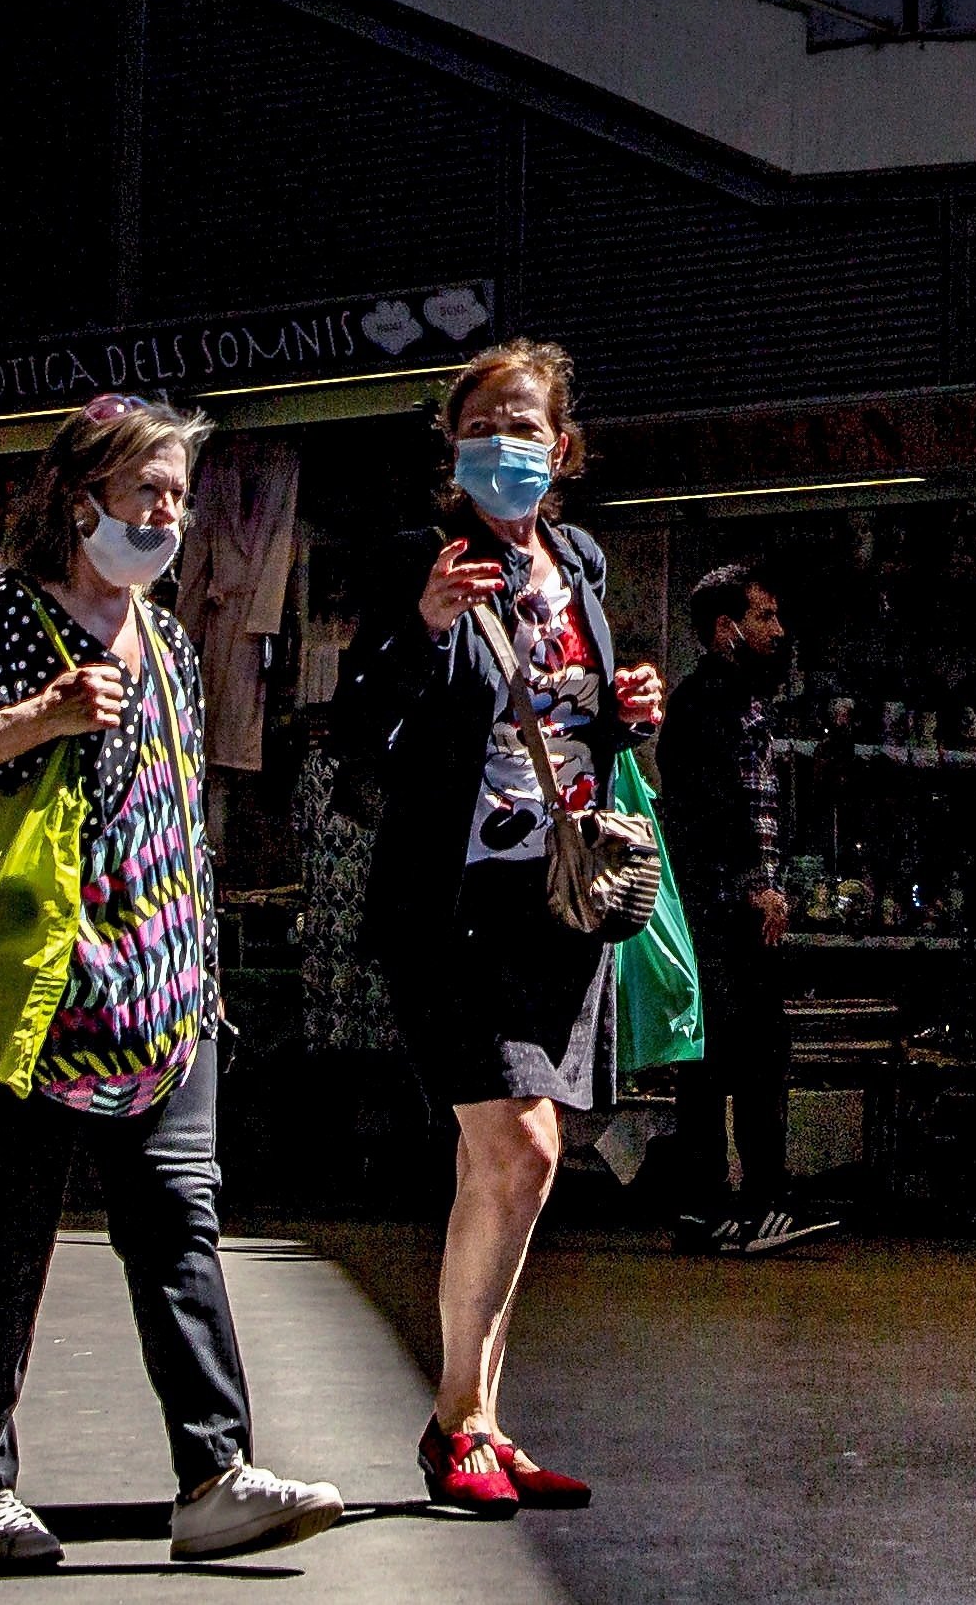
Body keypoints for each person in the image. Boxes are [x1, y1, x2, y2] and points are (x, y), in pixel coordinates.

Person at [0, 393, 344, 1572]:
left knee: (181, 1229)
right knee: (6, 1237)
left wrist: (198, 971)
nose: (167, 515)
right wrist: (42, 714)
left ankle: (215, 1473)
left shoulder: (176, 646)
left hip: (160, 994)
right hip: (25, 991)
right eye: (148, 490)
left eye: (180, 496)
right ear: (77, 497)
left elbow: (178, 815)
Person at [342, 342, 672, 1516]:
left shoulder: (575, 558)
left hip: (559, 903)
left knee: (512, 1168)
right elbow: (358, 731)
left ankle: (482, 1417)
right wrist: (426, 628)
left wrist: (630, 712)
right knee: (521, 1149)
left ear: (564, 448)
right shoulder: (414, 562)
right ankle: (453, 1423)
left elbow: (575, 722)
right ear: (451, 449)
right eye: (482, 425)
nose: (506, 444)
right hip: (455, 905)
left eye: (527, 426)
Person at [654, 562, 827, 1258]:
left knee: (731, 1056)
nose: (777, 632)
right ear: (726, 630)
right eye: (764, 618)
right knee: (738, 1056)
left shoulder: (737, 700)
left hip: (728, 903)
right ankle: (742, 1206)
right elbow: (712, 807)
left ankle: (726, 1207)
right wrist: (756, 884)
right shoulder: (707, 702)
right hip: (720, 908)